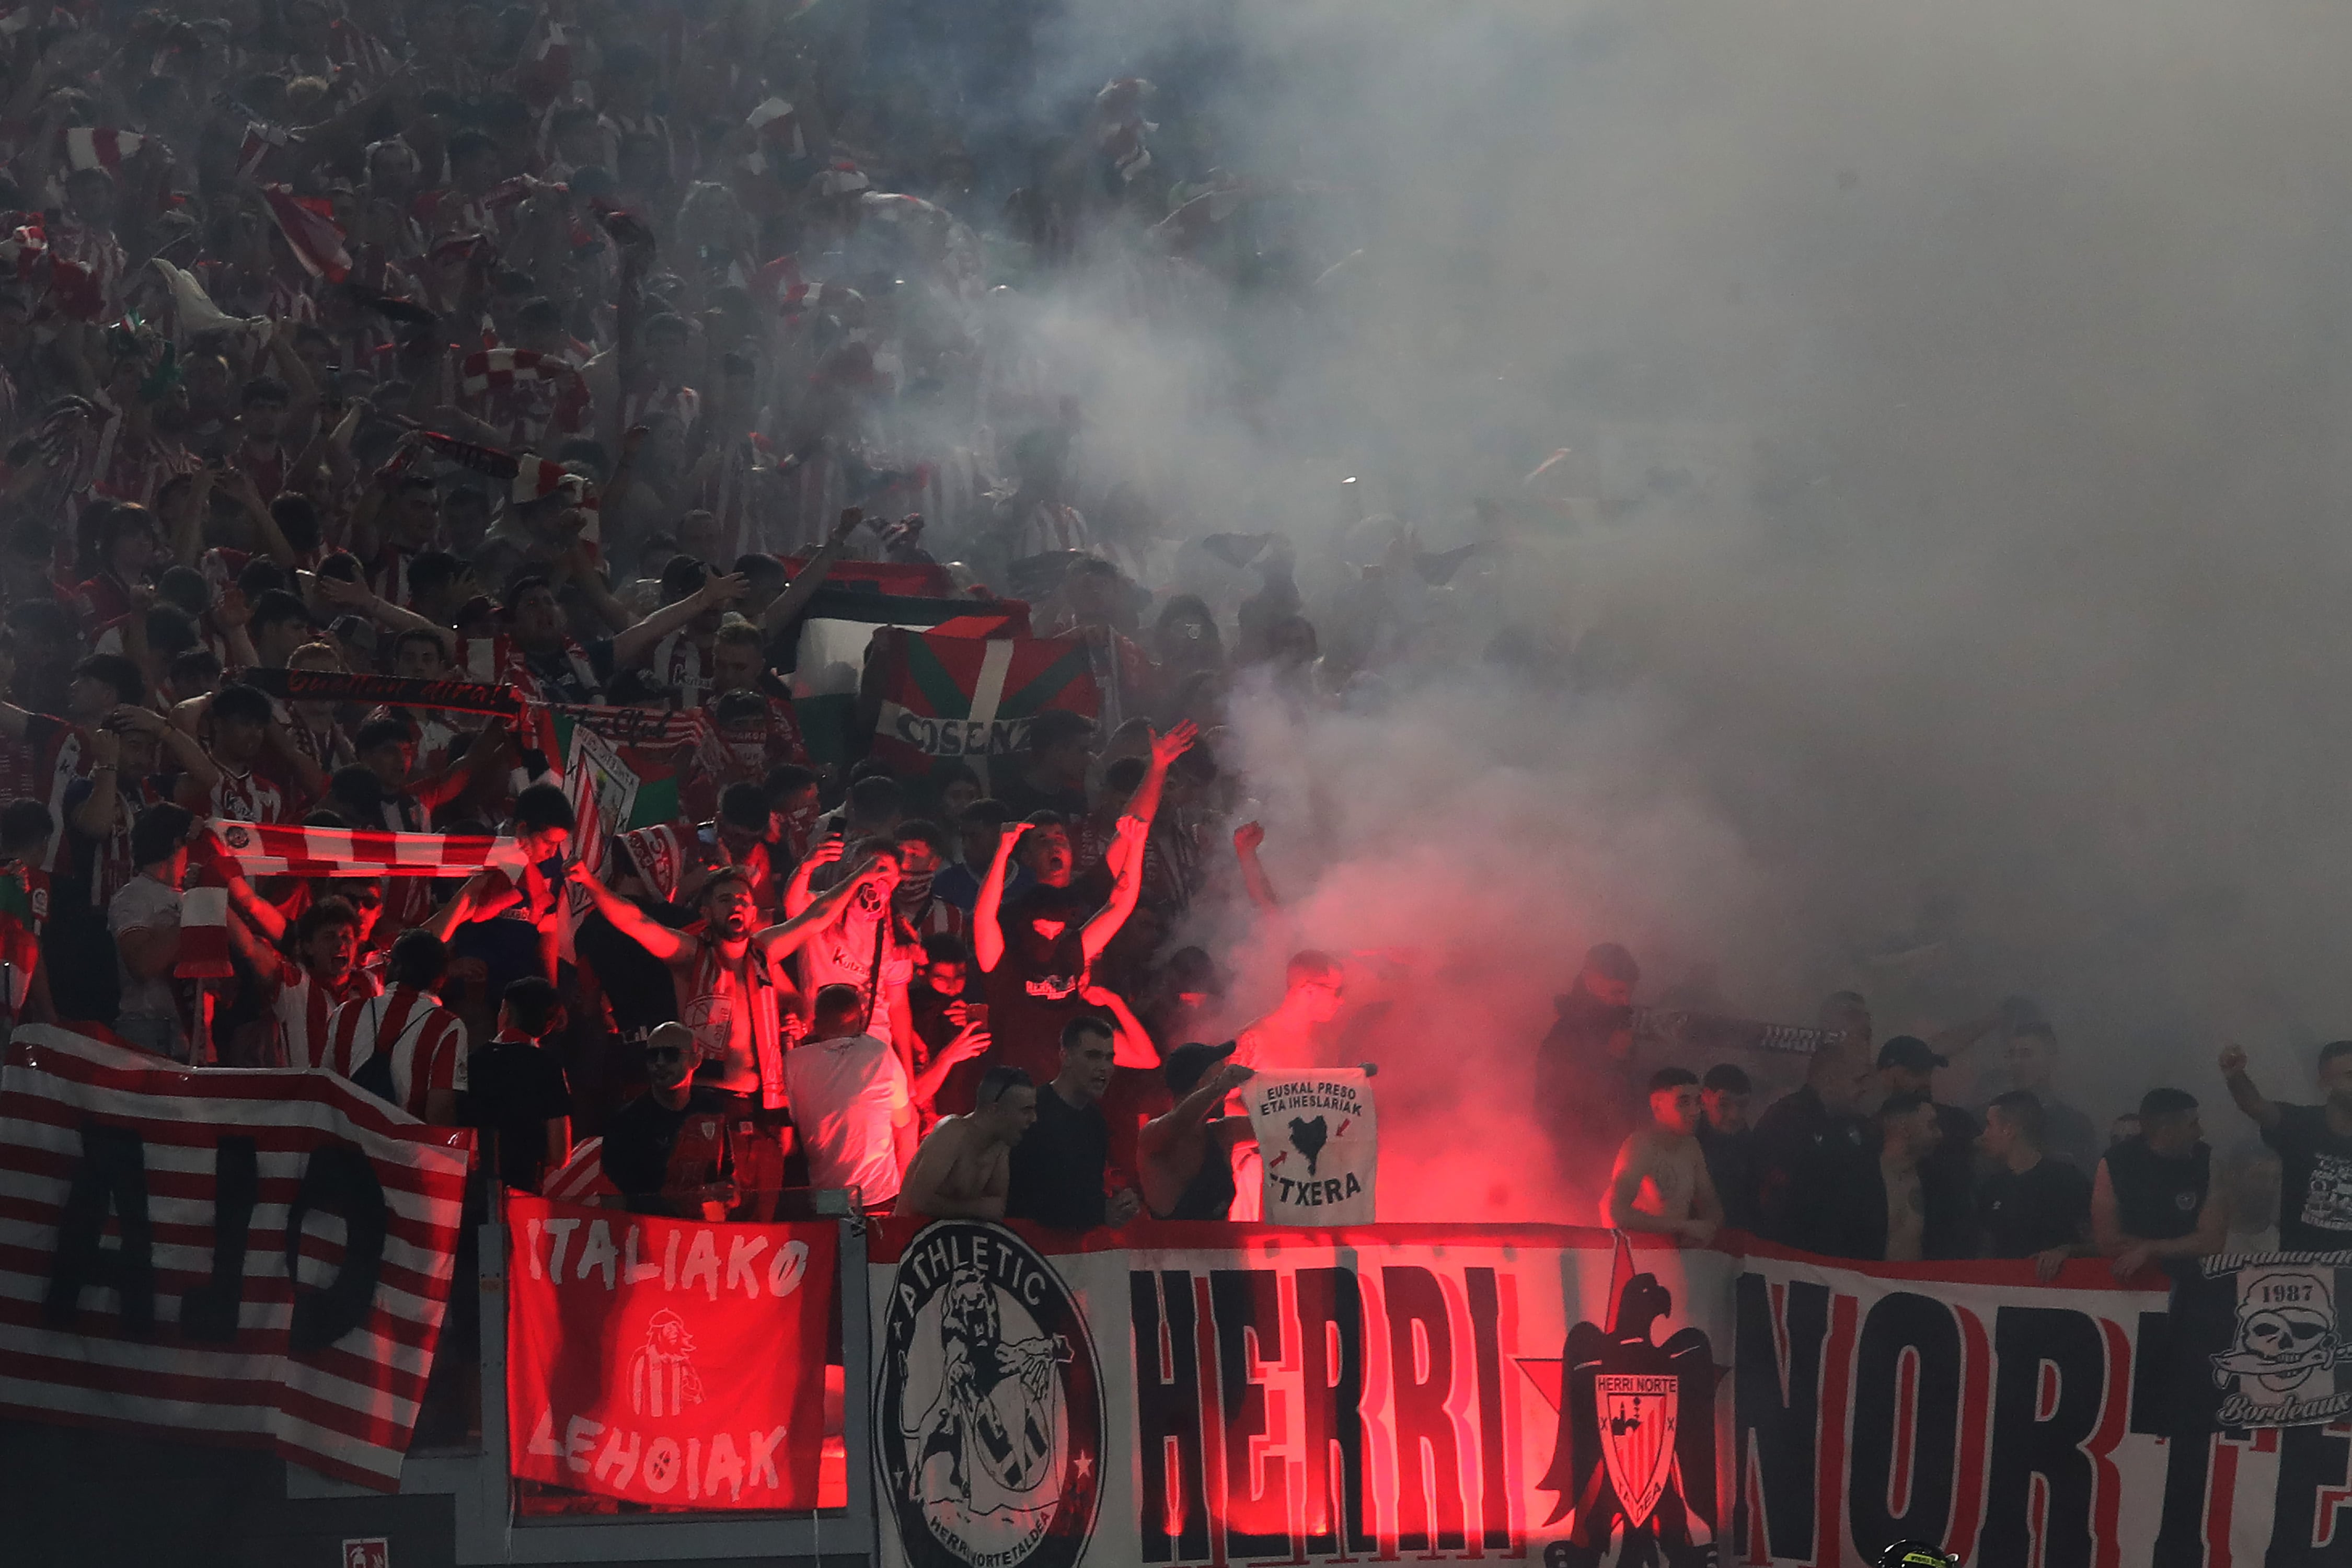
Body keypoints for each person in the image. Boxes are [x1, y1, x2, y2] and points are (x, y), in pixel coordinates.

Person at [782, 983, 918, 1212]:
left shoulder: (794, 1062)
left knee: (834, 1244)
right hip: (879, 1195)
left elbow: (791, 1125)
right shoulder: (880, 1053)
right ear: (861, 1020)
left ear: (815, 1023)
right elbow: (904, 1121)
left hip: (826, 1197)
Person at [320, 929, 468, 1125]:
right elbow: (439, 1112)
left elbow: (323, 1086)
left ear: (395, 967)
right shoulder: (447, 1027)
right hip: (406, 1151)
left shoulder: (346, 1013)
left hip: (346, 1144)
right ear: (441, 979)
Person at [1534, 942, 1644, 1204]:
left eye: (1629, 993)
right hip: (1578, 1160)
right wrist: (1610, 1058)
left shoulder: (1624, 1026)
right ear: (1591, 980)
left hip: (1619, 1154)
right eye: (1617, 992)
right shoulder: (1564, 1035)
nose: (1626, 1001)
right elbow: (1556, 1100)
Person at [1007, 1017, 1140, 1231]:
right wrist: (1100, 1211)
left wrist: (1117, 1204)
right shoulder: (1031, 1112)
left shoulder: (1096, 1121)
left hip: (1071, 1257)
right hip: (1026, 1251)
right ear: (1065, 1057)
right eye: (1093, 1056)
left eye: (1109, 1058)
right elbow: (1030, 1198)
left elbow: (1083, 1192)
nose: (1104, 1068)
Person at [2218, 1040, 2352, 1253]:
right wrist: (2236, 1076)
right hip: (2301, 1271)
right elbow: (2254, 1106)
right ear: (2325, 1083)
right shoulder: (2302, 1125)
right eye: (2350, 1075)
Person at [602, 1022, 742, 1218]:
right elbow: (612, 1201)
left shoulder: (712, 1109)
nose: (659, 1063)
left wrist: (728, 1194)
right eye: (653, 1055)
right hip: (651, 1233)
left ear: (696, 1060)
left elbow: (730, 1178)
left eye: (671, 1054)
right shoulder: (627, 1122)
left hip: (703, 1233)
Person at [1753, 1044, 1876, 1254]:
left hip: (1846, 1261)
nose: (1864, 1089)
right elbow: (1774, 1197)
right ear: (1829, 1080)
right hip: (1795, 1258)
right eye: (1857, 1080)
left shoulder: (1857, 1125)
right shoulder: (1787, 1119)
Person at [2092, 1087, 2226, 1280]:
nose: (2200, 1132)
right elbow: (2107, 1241)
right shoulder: (2115, 1164)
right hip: (2129, 1284)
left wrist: (2151, 1249)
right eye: (2193, 1124)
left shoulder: (2208, 1162)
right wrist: (2179, 1247)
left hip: (2194, 1282)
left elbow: (2212, 1241)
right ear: (2167, 1130)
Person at [1875, 1035, 1980, 1259]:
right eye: (1915, 1073)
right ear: (1887, 1075)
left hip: (1947, 1260)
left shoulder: (1958, 1123)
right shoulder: (1868, 1132)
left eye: (1929, 1071)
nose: (1926, 1081)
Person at [466, 976, 573, 1195]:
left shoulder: (472, 1062)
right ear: (549, 1024)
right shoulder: (548, 1068)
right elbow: (560, 1154)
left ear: (505, 1011)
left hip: (472, 1189)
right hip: (523, 1193)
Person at [109, 803, 195, 1061]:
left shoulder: (185, 896)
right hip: (150, 1031)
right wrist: (195, 912)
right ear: (176, 846)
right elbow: (142, 965)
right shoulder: (133, 896)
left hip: (190, 1033)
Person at [895, 1065, 1039, 1220]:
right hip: (906, 1240)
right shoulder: (952, 1132)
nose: (1033, 1118)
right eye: (1025, 1110)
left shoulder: (1001, 1144)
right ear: (995, 1110)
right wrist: (976, 1209)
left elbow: (997, 1208)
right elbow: (917, 1202)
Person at [1976, 1090, 2092, 1281]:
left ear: (2009, 1129)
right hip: (2003, 1297)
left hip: (2059, 1295)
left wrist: (2067, 1251)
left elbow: (2100, 1245)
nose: (1984, 1135)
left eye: (1989, 1125)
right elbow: (1985, 1252)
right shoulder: (1992, 1186)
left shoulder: (2066, 1179)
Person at [1603, 1067, 1724, 1247]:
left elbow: (1710, 1204)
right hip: (1641, 1255)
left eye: (1697, 1102)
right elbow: (1617, 1212)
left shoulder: (1692, 1147)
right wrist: (1684, 1227)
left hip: (1676, 1256)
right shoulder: (1641, 1146)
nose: (1695, 1111)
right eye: (1684, 1103)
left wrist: (1707, 1229)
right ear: (1657, 1105)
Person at [1137, 1042, 1258, 1219]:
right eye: (1219, 1077)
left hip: (1225, 1245)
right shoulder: (1153, 1135)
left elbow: (1276, 1125)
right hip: (1175, 1245)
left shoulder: (1222, 1133)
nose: (1229, 1092)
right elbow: (1180, 1121)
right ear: (1203, 1084)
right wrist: (1219, 1087)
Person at [1993, 1023, 2102, 1170]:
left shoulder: (2076, 1126)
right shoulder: (1992, 1118)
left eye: (2026, 1054)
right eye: (2012, 1055)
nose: (2017, 1063)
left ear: (2052, 1059)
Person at [1233, 950, 1346, 1072]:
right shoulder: (1251, 1044)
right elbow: (1229, 1090)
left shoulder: (1324, 1044)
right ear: (1310, 990)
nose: (1341, 1001)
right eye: (1337, 992)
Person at [1868, 1092, 1943, 1262]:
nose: (1939, 1134)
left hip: (1921, 1284)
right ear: (1905, 1128)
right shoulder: (1860, 1180)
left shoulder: (1935, 1181)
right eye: (1931, 1126)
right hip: (1868, 1285)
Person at [1698, 1063, 1761, 1232]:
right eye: (1724, 1105)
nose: (1734, 1115)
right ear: (1704, 1099)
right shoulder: (1683, 1142)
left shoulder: (1754, 1149)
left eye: (1742, 1106)